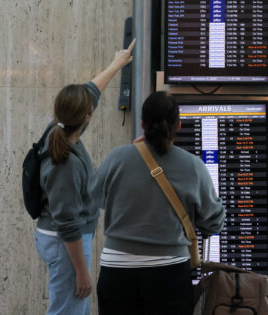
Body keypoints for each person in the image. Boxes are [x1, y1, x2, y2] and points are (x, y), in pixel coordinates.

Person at [90, 91, 226, 315]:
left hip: (116, 270)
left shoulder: (117, 158)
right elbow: (214, 221)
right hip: (169, 272)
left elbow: (94, 197)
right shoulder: (193, 166)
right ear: (178, 125)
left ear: (143, 124)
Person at [34, 39, 135, 315]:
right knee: (69, 311)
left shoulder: (58, 129)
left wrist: (117, 63)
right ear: (88, 117)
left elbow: (91, 91)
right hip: (65, 244)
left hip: (59, 239)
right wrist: (81, 272)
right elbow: (67, 222)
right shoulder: (65, 162)